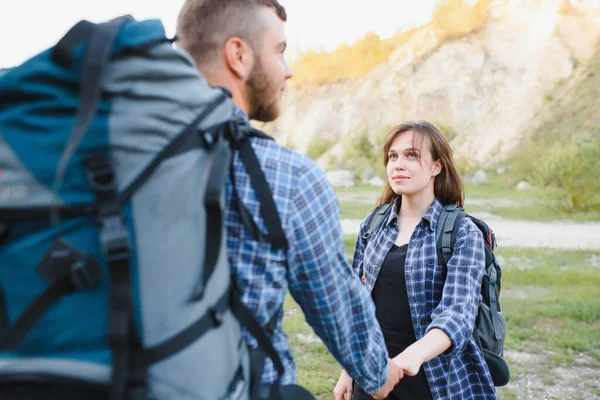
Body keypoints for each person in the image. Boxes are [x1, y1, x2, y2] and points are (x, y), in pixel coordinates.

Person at [176, 1, 404, 398]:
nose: (289, 69)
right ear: (239, 55)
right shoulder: (286, 177)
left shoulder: (108, 159)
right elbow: (338, 308)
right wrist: (378, 374)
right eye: (280, 50)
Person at [334, 121, 496, 400]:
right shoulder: (374, 224)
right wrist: (347, 370)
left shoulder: (462, 231)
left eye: (411, 155)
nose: (398, 164)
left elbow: (457, 315)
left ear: (436, 166)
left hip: (435, 382)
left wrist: (408, 359)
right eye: (393, 156)